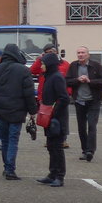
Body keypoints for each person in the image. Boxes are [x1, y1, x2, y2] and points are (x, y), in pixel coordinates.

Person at [0, 43, 37, 180]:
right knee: (13, 139)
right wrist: (32, 110)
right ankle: (10, 169)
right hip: (17, 109)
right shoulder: (23, 70)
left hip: (0, 109)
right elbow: (29, 93)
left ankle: (6, 167)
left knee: (4, 140)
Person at [65, 45, 102, 161]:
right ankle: (84, 150)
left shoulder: (96, 66)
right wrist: (77, 80)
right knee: (81, 127)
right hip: (79, 101)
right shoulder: (73, 66)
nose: (80, 55)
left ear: (88, 55)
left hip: (93, 101)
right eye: (78, 53)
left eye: (83, 53)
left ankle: (90, 151)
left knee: (91, 125)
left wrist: (90, 81)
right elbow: (67, 81)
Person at [37, 51, 70, 186]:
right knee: (51, 146)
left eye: (43, 64)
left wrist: (53, 113)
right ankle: (52, 174)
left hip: (57, 119)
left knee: (57, 148)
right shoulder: (49, 77)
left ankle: (60, 176)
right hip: (49, 119)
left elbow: (64, 98)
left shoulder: (57, 77)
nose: (41, 66)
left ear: (49, 64)